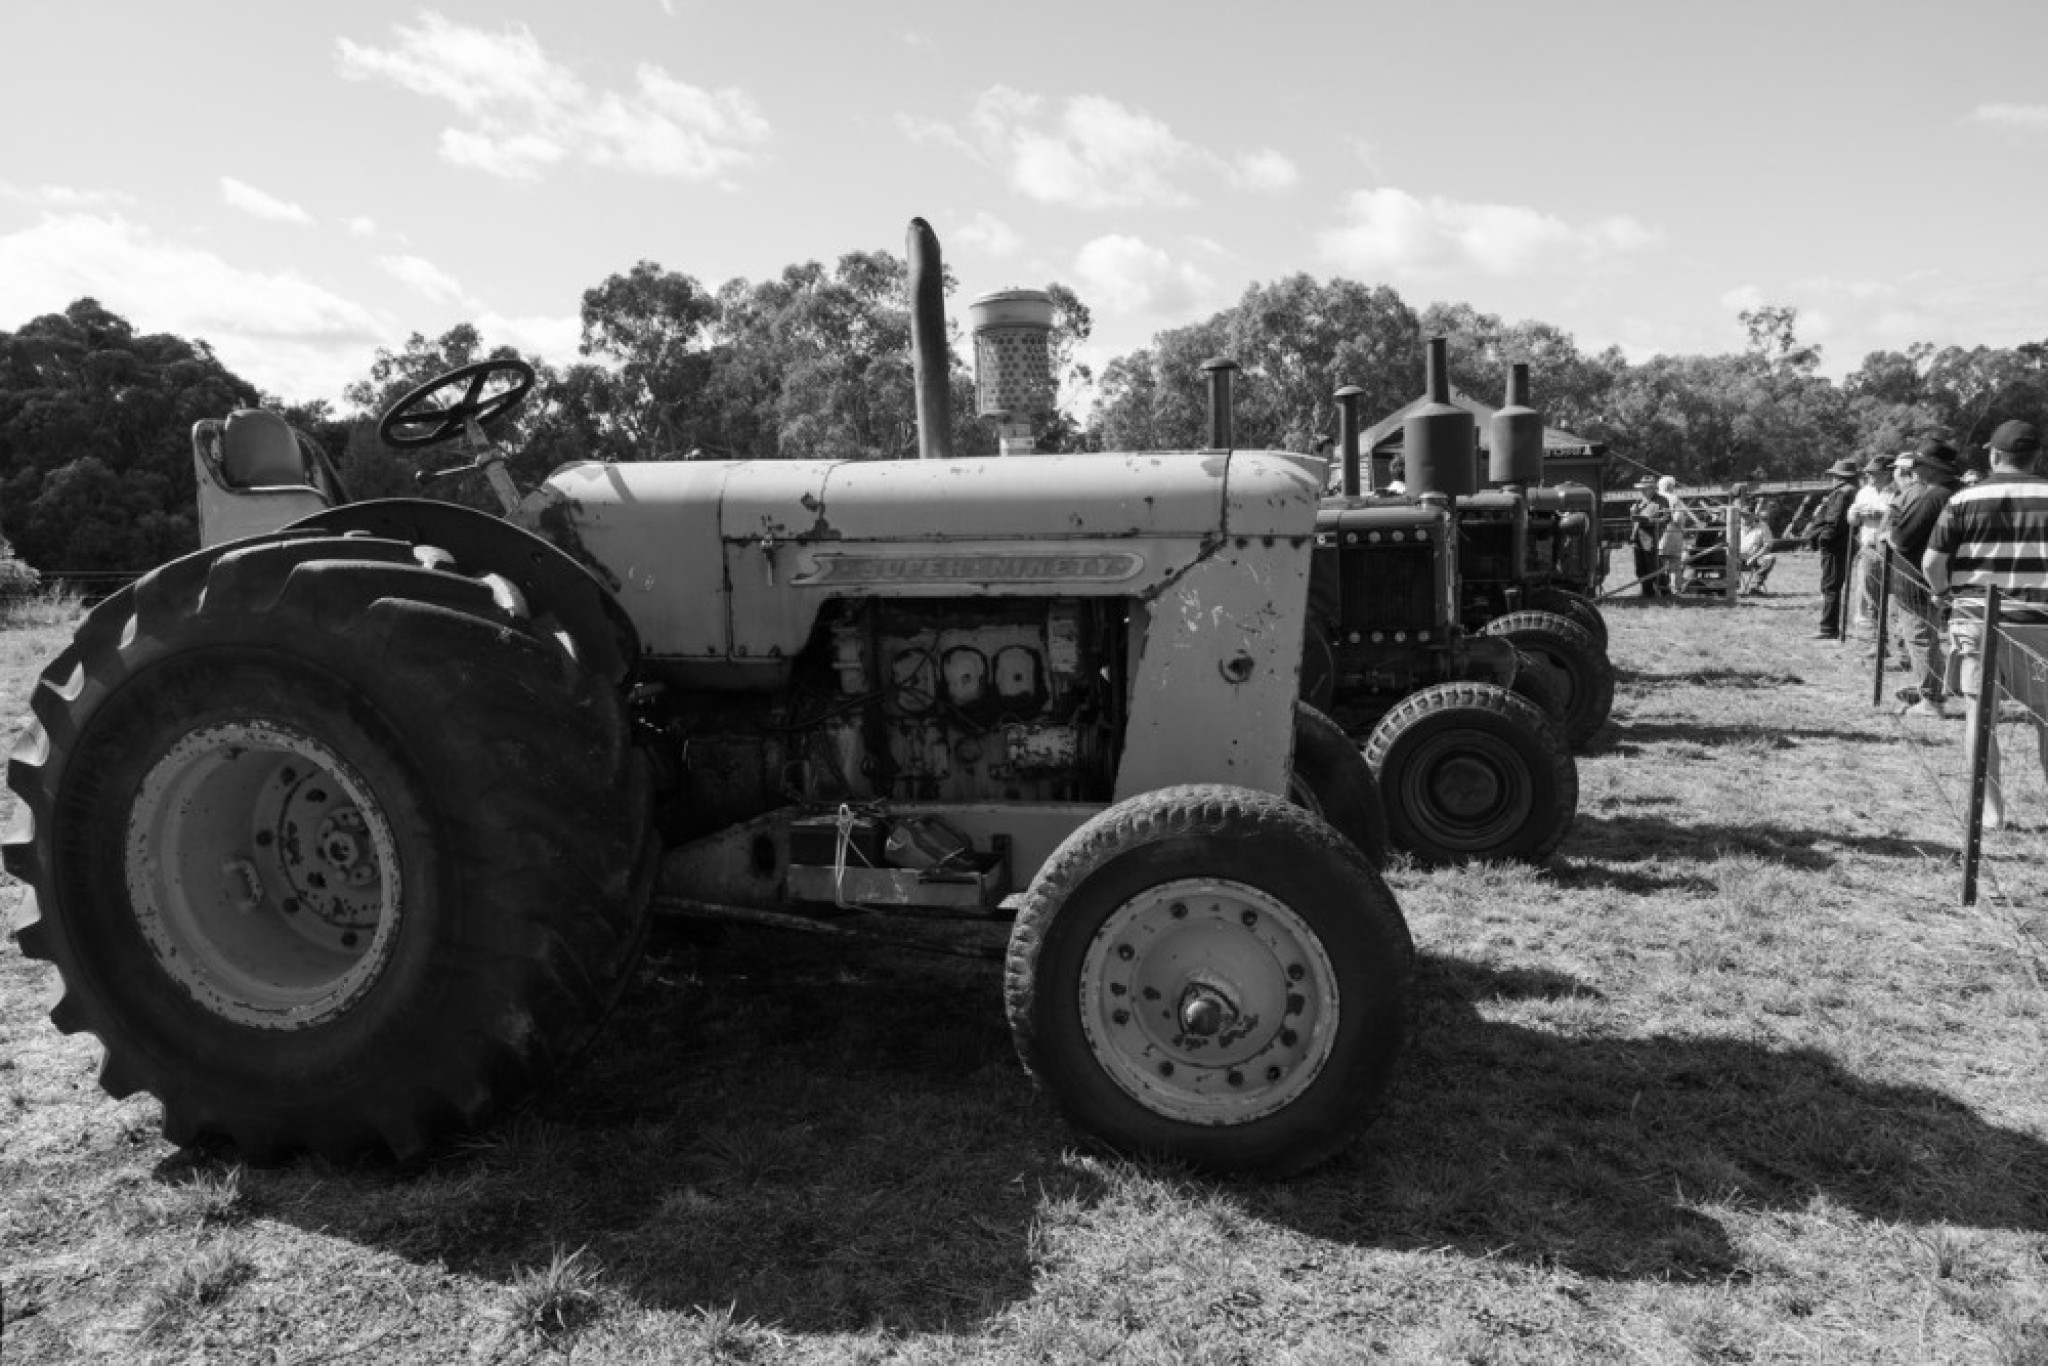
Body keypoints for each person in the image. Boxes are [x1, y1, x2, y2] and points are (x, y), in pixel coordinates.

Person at [1921, 421, 2048, 828]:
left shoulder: (1963, 500)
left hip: (1977, 618)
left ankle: (1989, 813)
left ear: (1994, 455)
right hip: (2042, 621)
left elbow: (1932, 562)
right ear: (2037, 458)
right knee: (2045, 719)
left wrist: (1943, 594)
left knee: (1981, 716)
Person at [1888, 439, 1963, 717]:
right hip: (1944, 576)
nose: (1915, 470)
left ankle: (1931, 700)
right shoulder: (1957, 491)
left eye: (1919, 464)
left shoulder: (1931, 496)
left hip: (1917, 578)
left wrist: (1889, 530)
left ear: (1932, 467)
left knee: (1919, 636)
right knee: (1930, 637)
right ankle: (1930, 688)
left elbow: (1901, 540)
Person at [1807, 457, 1861, 638]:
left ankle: (1828, 629)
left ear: (1839, 476)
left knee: (1830, 586)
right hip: (1843, 543)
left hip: (1835, 545)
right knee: (1833, 585)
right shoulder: (1853, 490)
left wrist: (1823, 540)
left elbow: (1834, 521)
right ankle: (1829, 627)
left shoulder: (1842, 493)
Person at [1848, 454, 1897, 628]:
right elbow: (1852, 517)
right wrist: (1855, 515)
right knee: (1867, 581)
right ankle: (1870, 619)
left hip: (1890, 548)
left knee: (1889, 588)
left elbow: (1898, 515)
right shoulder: (1863, 492)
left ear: (1886, 473)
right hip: (1867, 544)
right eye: (1868, 473)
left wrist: (1878, 514)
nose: (1868, 477)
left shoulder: (1897, 491)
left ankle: (1885, 624)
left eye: (1873, 473)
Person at [1627, 476, 1670, 596]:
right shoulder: (1639, 501)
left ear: (1652, 488)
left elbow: (1666, 519)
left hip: (1651, 537)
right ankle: (1647, 592)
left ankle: (1664, 591)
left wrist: (1650, 521)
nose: (1642, 491)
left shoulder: (1662, 500)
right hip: (1636, 537)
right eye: (1641, 488)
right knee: (1640, 568)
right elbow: (1634, 520)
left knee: (1654, 566)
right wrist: (1633, 514)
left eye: (1645, 488)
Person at [1656, 475, 1692, 592]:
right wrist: (1683, 526)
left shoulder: (1654, 498)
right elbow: (1677, 519)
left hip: (1656, 535)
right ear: (1670, 486)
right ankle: (1675, 589)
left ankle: (1658, 589)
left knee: (1658, 564)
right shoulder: (1674, 499)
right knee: (1674, 564)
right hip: (1672, 534)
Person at [1737, 509, 1778, 594]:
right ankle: (1725, 587)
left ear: (1753, 515)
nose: (1743, 518)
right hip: (1736, 558)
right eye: (1742, 515)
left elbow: (1767, 546)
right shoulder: (1734, 527)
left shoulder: (1763, 526)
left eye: (1746, 515)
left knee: (1770, 558)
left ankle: (1755, 587)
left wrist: (1754, 557)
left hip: (1756, 558)